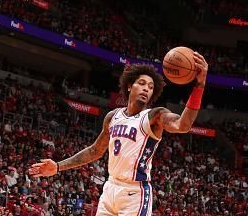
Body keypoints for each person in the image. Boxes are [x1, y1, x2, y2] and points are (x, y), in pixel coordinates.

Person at [29, 51, 208, 216]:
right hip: (110, 189)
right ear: (130, 86)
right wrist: (58, 166)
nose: (146, 88)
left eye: (151, 87)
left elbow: (183, 125)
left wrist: (199, 85)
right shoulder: (112, 116)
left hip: (135, 193)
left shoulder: (154, 116)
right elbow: (94, 151)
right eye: (142, 83)